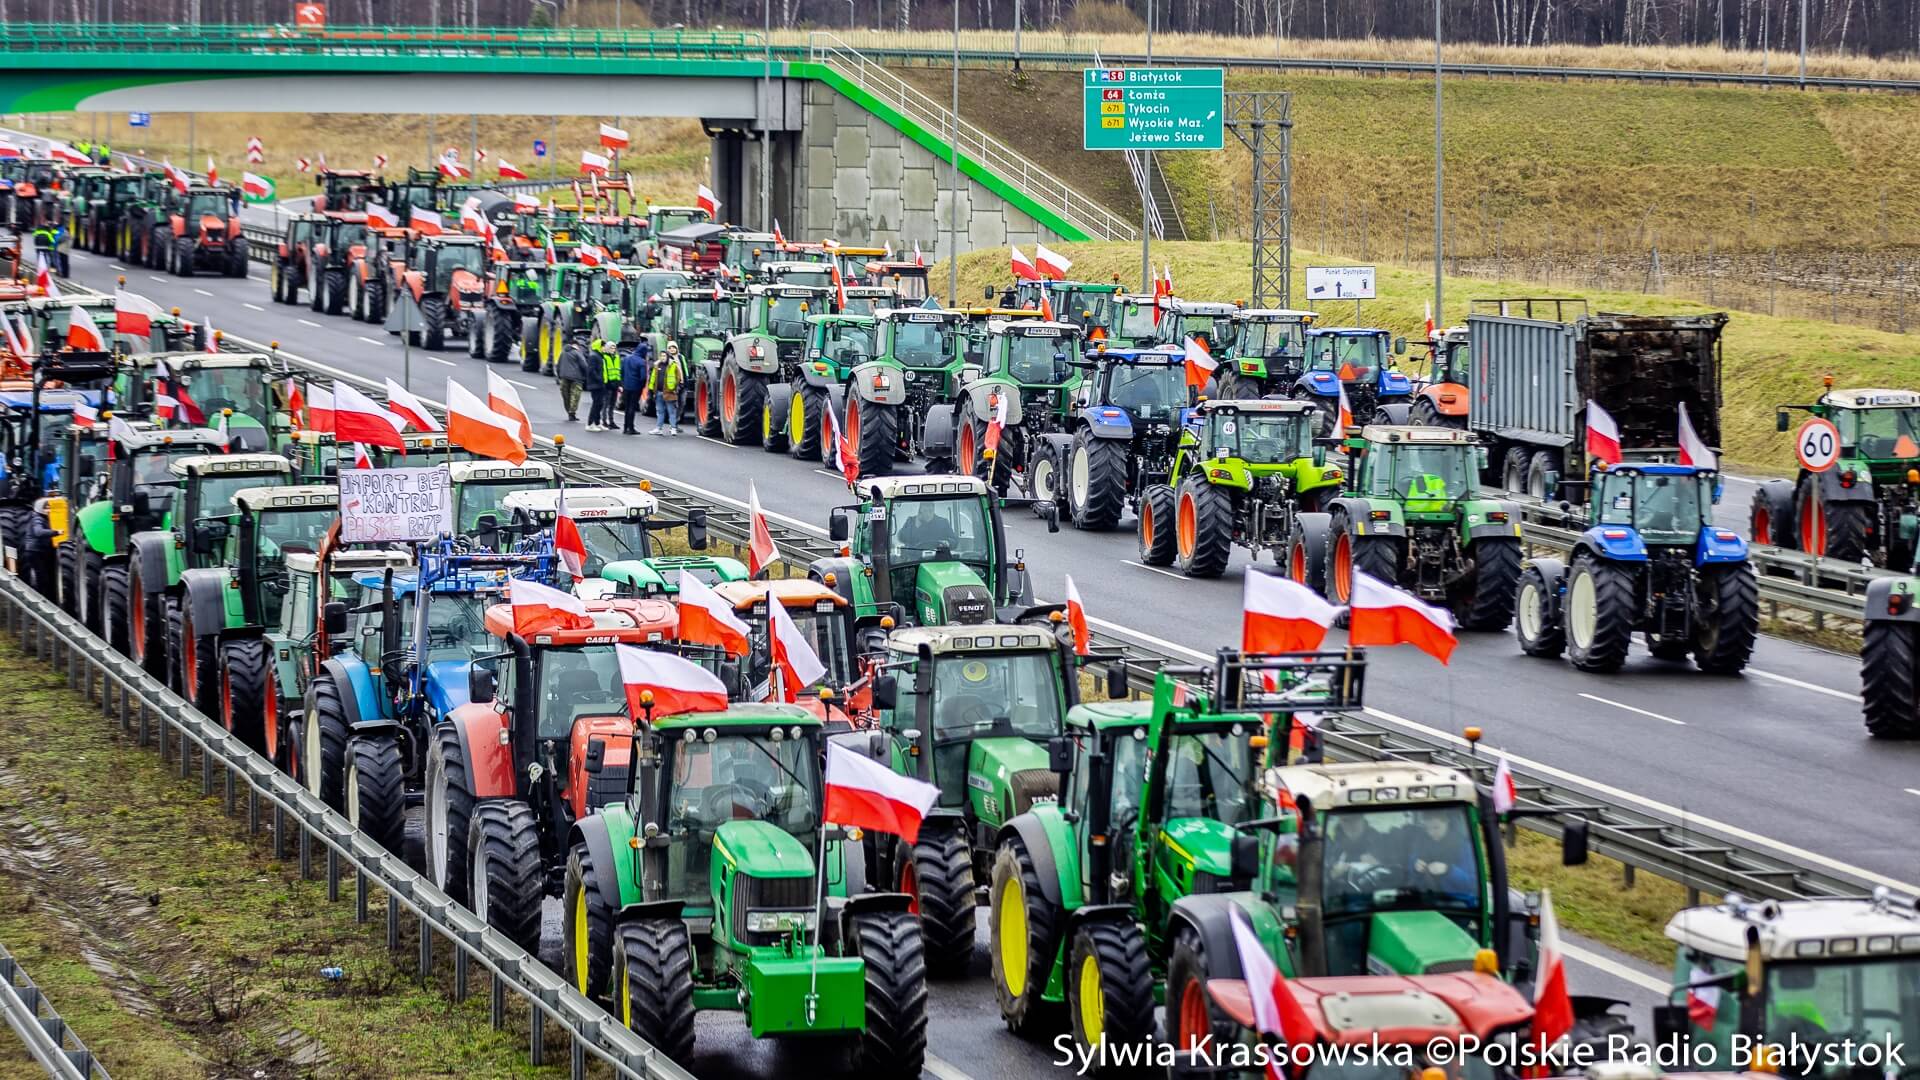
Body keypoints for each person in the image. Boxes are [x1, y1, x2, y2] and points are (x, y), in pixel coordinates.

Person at [554, 334, 591, 423]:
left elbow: (558, 365)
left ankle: (569, 412)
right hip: (576, 378)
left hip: (564, 377)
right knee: (575, 395)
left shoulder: (563, 352)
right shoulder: (577, 353)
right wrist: (587, 376)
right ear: (576, 345)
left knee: (566, 395)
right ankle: (572, 412)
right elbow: (584, 365)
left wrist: (559, 375)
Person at [649, 343, 683, 436]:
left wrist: (675, 388)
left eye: (664, 356)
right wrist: (651, 389)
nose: (663, 357)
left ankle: (673, 428)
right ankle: (658, 428)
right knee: (660, 411)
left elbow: (678, 378)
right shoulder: (657, 366)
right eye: (661, 356)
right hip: (659, 392)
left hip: (669, 393)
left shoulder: (673, 365)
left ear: (667, 356)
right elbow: (653, 378)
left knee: (671, 411)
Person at [619, 337, 651, 435]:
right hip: (635, 387)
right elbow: (643, 377)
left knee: (627, 407)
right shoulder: (641, 362)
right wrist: (641, 387)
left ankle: (625, 428)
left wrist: (623, 384)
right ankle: (631, 428)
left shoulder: (626, 359)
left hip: (626, 386)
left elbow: (622, 372)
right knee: (632, 407)